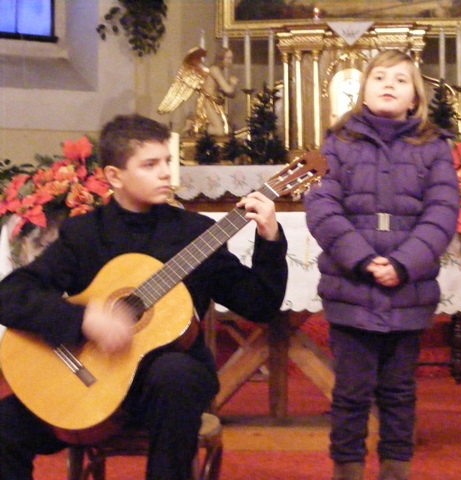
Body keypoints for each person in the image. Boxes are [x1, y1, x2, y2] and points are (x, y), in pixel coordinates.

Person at [0, 113, 288, 479]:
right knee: (4, 425)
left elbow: (260, 305)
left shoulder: (196, 233)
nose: (166, 173)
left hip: (167, 390)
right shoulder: (85, 234)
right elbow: (11, 295)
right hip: (90, 379)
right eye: (150, 165)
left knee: (175, 374)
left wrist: (269, 239)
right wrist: (84, 319)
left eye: (168, 161)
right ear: (114, 176)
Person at [304, 50, 460, 480]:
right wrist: (363, 259)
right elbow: (322, 207)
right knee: (351, 394)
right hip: (352, 288)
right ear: (364, 90)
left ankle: (395, 470)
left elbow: (442, 213)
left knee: (398, 392)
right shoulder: (338, 143)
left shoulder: (434, 147)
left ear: (415, 98)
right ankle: (347, 471)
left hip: (407, 291)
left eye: (400, 79)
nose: (389, 84)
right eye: (379, 77)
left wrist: (403, 264)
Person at [200, 47, 239, 137]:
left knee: (225, 129)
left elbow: (230, 93)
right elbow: (228, 89)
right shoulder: (214, 70)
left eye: (231, 58)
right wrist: (232, 83)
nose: (230, 61)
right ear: (221, 58)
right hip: (208, 102)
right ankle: (198, 128)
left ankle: (201, 129)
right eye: (228, 58)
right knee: (219, 130)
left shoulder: (219, 70)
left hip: (215, 103)